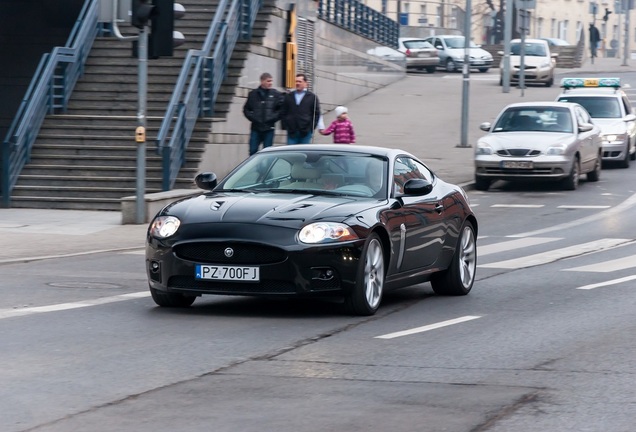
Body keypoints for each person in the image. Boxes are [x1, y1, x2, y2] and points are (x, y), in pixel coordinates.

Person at [243, 72, 283, 155]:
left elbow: (282, 109)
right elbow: (246, 109)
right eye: (268, 81)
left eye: (271, 81)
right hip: (256, 128)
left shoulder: (276, 94)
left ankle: (265, 168)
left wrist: (273, 118)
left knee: (267, 152)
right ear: (262, 81)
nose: (270, 83)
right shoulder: (253, 94)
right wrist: (253, 118)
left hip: (269, 128)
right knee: (253, 151)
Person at [281, 73, 321, 144]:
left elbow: (316, 113)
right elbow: (283, 112)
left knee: (304, 152)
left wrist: (311, 128)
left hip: (305, 132)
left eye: (300, 81)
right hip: (292, 132)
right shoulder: (289, 96)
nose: (297, 83)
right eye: (296, 81)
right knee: (291, 153)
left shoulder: (312, 97)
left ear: (305, 83)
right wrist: (286, 125)